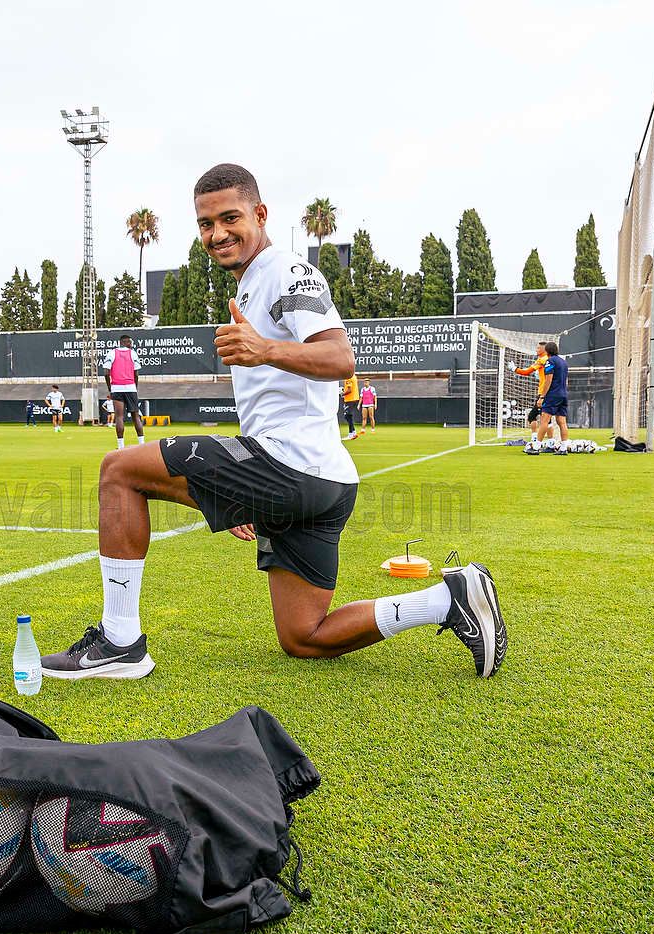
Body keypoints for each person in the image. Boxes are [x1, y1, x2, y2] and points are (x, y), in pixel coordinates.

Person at [40, 163, 507, 681]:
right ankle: (447, 599)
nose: (217, 234)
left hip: (294, 466)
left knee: (119, 470)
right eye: (205, 224)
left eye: (230, 218)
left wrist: (263, 349)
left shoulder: (287, 271)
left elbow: (340, 358)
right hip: (320, 479)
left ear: (260, 214)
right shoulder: (250, 286)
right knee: (304, 636)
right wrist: (246, 494)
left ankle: (119, 642)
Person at [103, 334, 146, 450]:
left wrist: (110, 388)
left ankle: (121, 446)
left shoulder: (111, 353)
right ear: (124, 342)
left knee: (119, 417)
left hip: (116, 388)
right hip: (131, 387)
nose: (131, 344)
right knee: (135, 416)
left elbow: (106, 372)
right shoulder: (133, 353)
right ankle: (142, 444)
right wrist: (135, 387)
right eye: (129, 342)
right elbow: (136, 373)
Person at [514, 346, 553, 450]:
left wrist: (515, 369)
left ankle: (541, 442)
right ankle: (548, 442)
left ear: (544, 350)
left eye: (538, 348)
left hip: (543, 393)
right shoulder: (551, 360)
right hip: (550, 392)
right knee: (545, 418)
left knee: (537, 417)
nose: (536, 350)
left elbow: (526, 372)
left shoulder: (542, 360)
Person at [536, 342, 569, 451]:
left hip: (553, 395)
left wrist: (542, 397)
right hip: (563, 394)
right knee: (562, 422)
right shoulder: (563, 362)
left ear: (546, 351)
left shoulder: (550, 361)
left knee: (544, 420)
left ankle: (536, 446)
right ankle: (563, 448)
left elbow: (548, 380)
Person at [340, 374, 361, 440]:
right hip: (354, 398)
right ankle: (353, 433)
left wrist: (341, 394)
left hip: (350, 399)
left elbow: (349, 390)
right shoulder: (354, 376)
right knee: (348, 416)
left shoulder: (348, 377)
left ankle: (351, 434)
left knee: (347, 416)